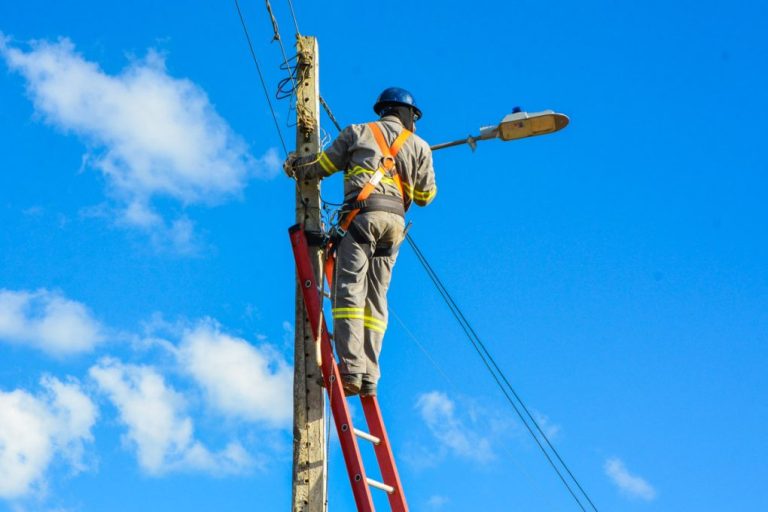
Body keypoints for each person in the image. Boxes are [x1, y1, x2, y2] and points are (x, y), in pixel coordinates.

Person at [285, 87, 436, 397]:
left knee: (349, 292)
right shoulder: (420, 147)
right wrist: (406, 168)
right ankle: (370, 375)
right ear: (408, 115)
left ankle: (352, 369)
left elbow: (321, 168)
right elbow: (425, 198)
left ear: (383, 110)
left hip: (362, 219)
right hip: (393, 226)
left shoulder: (357, 132)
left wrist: (297, 167)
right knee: (376, 299)